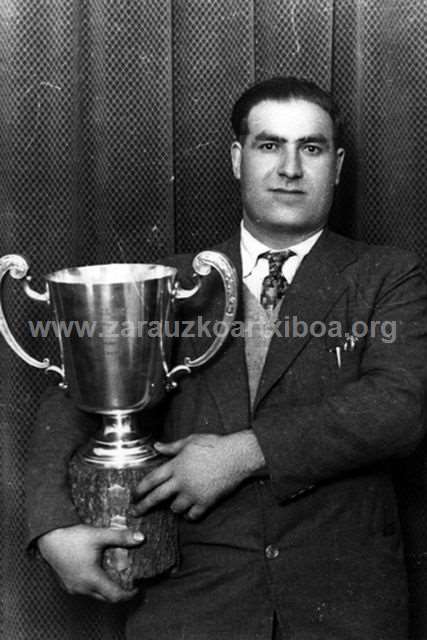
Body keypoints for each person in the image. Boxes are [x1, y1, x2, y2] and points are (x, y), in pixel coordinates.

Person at [26, 76, 427, 639]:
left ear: (336, 166)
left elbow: (399, 407)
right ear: (238, 158)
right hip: (193, 603)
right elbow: (70, 397)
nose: (290, 168)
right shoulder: (170, 282)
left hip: (343, 603)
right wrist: (53, 530)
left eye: (310, 148)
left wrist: (241, 454)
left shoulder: (387, 276)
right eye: (269, 145)